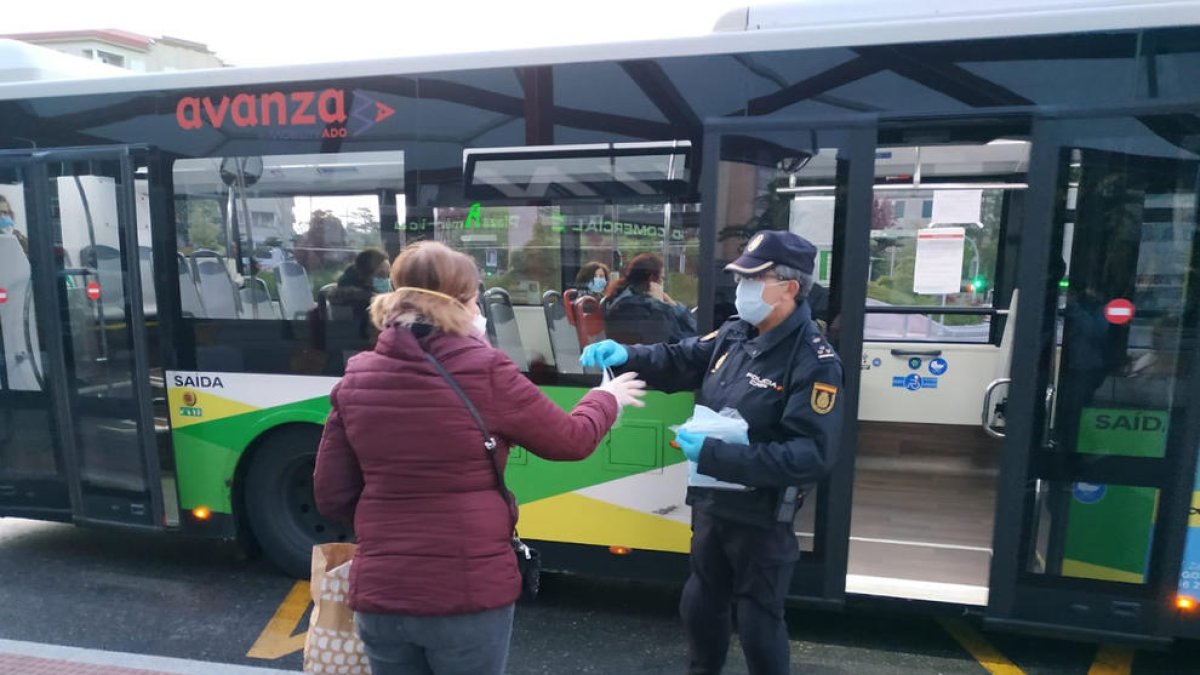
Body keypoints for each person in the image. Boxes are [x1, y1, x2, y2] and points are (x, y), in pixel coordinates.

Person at [313, 240, 647, 675]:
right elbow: (571, 440)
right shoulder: (484, 368)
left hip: (382, 594)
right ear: (463, 302)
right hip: (465, 595)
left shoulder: (358, 375)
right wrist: (607, 398)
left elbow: (331, 494)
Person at [581, 230, 844, 675]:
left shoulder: (814, 361)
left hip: (760, 515)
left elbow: (811, 454)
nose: (741, 288)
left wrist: (715, 454)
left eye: (753, 279)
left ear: (790, 288)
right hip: (711, 505)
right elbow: (680, 358)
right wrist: (626, 353)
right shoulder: (735, 334)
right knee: (701, 604)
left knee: (759, 620)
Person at [603, 253, 697, 344]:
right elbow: (687, 340)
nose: (662, 284)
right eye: (662, 279)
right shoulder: (648, 310)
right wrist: (666, 306)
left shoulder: (620, 299)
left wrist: (670, 303)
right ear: (652, 279)